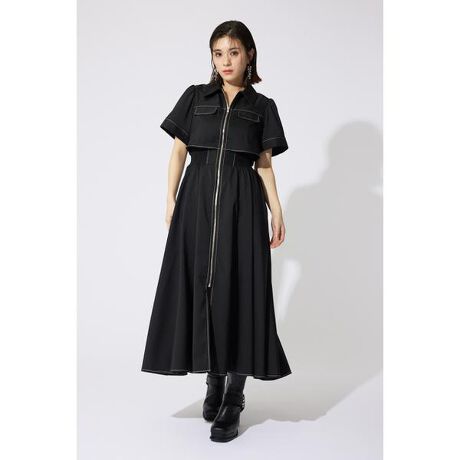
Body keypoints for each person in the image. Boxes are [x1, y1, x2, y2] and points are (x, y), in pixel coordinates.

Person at [141, 20, 292, 442]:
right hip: (197, 200)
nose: (226, 61)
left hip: (243, 205)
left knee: (240, 292)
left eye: (234, 52)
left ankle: (234, 395)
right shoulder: (195, 97)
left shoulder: (263, 107)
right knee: (202, 288)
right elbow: (178, 151)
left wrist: (276, 211)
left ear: (249, 55)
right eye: (218, 53)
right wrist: (170, 198)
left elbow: (264, 164)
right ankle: (214, 379)